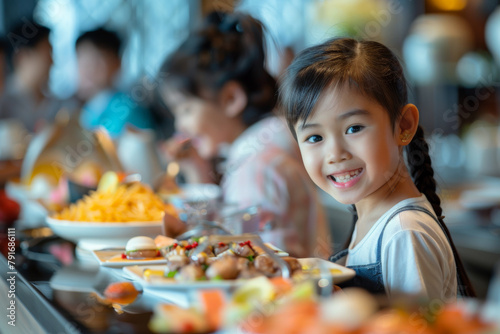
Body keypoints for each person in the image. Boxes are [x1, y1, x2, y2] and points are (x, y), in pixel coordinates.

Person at [278, 37, 475, 300]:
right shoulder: (373, 220)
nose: (335, 154)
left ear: (403, 126)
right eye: (315, 137)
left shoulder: (404, 234)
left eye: (354, 128)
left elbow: (414, 328)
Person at [159, 11, 331, 258]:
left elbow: (265, 262)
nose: (180, 125)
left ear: (231, 99)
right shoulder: (265, 147)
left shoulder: (258, 168)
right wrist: (196, 169)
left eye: (186, 109)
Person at [75, 28, 153, 138]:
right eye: (82, 59)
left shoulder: (127, 108)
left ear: (118, 63)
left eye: (97, 59)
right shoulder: (87, 109)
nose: (89, 69)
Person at [0, 21, 60, 133]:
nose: (52, 62)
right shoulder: (3, 102)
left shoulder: (59, 105)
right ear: (23, 56)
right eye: (47, 54)